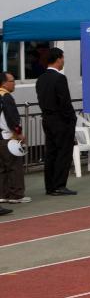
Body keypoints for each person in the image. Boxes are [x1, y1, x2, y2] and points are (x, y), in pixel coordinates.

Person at [36, 48, 77, 196]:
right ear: (58, 59)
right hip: (61, 120)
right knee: (63, 153)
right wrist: (72, 118)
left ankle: (50, 186)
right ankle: (60, 185)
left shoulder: (41, 79)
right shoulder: (59, 78)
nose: (63, 61)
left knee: (51, 152)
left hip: (47, 118)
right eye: (63, 58)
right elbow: (64, 102)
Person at [1, 71, 27, 209]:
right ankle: (16, 195)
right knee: (14, 166)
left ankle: (3, 194)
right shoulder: (6, 97)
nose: (14, 83)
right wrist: (19, 133)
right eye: (12, 81)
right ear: (4, 83)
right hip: (8, 137)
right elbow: (12, 118)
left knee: (2, 168)